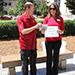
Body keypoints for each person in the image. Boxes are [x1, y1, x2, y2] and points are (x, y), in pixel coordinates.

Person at [17, 2, 42, 75]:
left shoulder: (32, 18)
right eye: (32, 8)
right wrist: (35, 27)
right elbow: (23, 31)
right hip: (25, 46)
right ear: (27, 9)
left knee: (33, 66)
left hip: (33, 46)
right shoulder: (20, 19)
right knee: (25, 67)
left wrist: (43, 27)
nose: (34, 10)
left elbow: (36, 26)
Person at [41, 2, 65, 75]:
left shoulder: (60, 19)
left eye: (53, 8)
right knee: (49, 58)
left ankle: (55, 73)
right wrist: (42, 30)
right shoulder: (46, 18)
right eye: (50, 8)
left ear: (57, 9)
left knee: (56, 58)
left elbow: (63, 31)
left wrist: (60, 31)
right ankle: (48, 73)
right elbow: (42, 32)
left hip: (57, 41)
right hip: (48, 41)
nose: (52, 10)